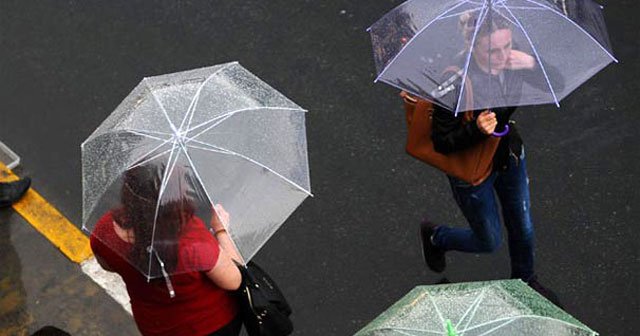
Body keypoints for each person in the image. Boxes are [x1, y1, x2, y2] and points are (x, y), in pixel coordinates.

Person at [416, 11, 562, 303]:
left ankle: (524, 281)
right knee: (489, 240)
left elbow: (556, 85)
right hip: (473, 172)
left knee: (523, 226)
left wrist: (531, 62)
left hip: (508, 155)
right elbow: (441, 143)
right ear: (472, 45)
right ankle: (436, 237)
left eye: (507, 46)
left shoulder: (513, 60)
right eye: (492, 50)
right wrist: (475, 130)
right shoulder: (453, 83)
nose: (502, 55)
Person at [90, 163, 243, 336]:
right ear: (173, 197)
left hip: (156, 327)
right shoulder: (191, 240)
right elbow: (233, 280)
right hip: (209, 325)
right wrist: (221, 230)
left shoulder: (105, 231)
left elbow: (107, 265)